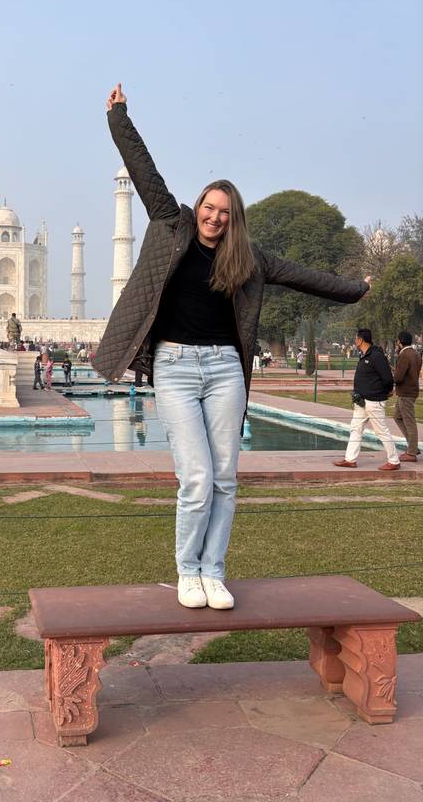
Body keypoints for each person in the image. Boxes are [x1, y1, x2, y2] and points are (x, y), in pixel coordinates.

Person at [95, 83, 371, 611]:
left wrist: (356, 288)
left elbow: (305, 277)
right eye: (209, 207)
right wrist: (119, 118)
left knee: (224, 478)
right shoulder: (169, 224)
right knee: (196, 477)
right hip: (175, 367)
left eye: (225, 212)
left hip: (225, 369)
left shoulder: (249, 259)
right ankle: (186, 571)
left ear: (233, 218)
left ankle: (213, 572)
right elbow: (144, 171)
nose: (215, 217)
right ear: (198, 206)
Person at [334, 328, 401, 471]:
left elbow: (388, 378)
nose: (354, 340)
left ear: (360, 340)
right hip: (361, 401)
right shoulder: (364, 355)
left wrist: (387, 391)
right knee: (355, 429)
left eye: (355, 338)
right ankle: (350, 459)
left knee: (381, 431)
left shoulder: (376, 356)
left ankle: (394, 461)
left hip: (374, 401)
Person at [392, 330, 421, 462]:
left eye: (397, 341)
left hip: (406, 392)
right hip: (410, 391)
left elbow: (398, 377)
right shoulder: (415, 354)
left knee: (409, 422)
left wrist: (393, 374)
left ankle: (411, 453)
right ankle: (413, 447)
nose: (396, 343)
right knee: (397, 417)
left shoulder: (404, 355)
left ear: (400, 341)